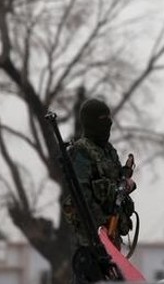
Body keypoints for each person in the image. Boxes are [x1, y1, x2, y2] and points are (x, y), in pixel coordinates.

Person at [62, 98, 136, 284]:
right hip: (92, 240)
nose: (108, 123)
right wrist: (101, 228)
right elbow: (82, 197)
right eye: (103, 119)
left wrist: (127, 184)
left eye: (109, 118)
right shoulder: (81, 152)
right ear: (91, 122)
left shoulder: (108, 151)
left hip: (113, 236)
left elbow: (117, 182)